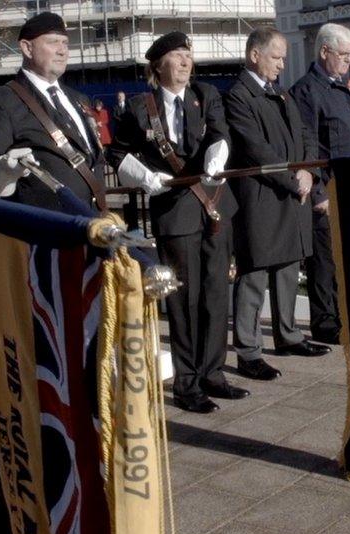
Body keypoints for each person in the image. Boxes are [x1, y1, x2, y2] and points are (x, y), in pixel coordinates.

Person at [107, 31, 243, 413]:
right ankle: (187, 383)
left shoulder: (205, 95)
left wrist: (217, 158)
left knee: (216, 293)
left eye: (188, 55)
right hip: (175, 212)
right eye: (177, 56)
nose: (186, 62)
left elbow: (220, 134)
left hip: (215, 204)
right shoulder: (139, 107)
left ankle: (213, 374)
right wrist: (144, 175)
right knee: (184, 299)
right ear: (158, 66)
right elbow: (117, 154)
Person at [225, 27, 329, 382]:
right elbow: (255, 149)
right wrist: (292, 177)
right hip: (261, 198)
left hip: (291, 193)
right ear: (255, 55)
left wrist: (308, 172)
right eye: (276, 57)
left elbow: (304, 137)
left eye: (283, 57)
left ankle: (288, 335)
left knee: (287, 267)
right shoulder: (239, 96)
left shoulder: (281, 94)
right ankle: (248, 351)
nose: (282, 65)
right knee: (254, 275)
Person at [290, 22, 350, 345]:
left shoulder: (347, 88)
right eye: (344, 54)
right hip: (331, 191)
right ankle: (326, 323)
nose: (349, 61)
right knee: (325, 262)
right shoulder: (307, 91)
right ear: (324, 51)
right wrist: (320, 193)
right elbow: (308, 146)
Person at [0, 12, 106, 211]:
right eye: (53, 42)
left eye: (65, 42)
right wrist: (5, 169)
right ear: (27, 48)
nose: (62, 51)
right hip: (46, 231)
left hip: (93, 224)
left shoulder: (78, 99)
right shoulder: (3, 100)